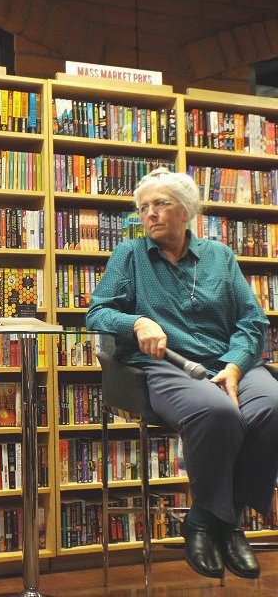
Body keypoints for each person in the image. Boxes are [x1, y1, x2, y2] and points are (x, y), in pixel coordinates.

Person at [86, 167, 278, 580]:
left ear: (186, 209)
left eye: (160, 203)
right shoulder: (130, 255)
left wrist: (234, 366)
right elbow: (97, 312)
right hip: (169, 365)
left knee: (272, 405)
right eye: (143, 208)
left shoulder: (219, 256)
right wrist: (137, 322)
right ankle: (216, 522)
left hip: (228, 360)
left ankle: (219, 518)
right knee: (217, 412)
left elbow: (252, 321)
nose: (150, 214)